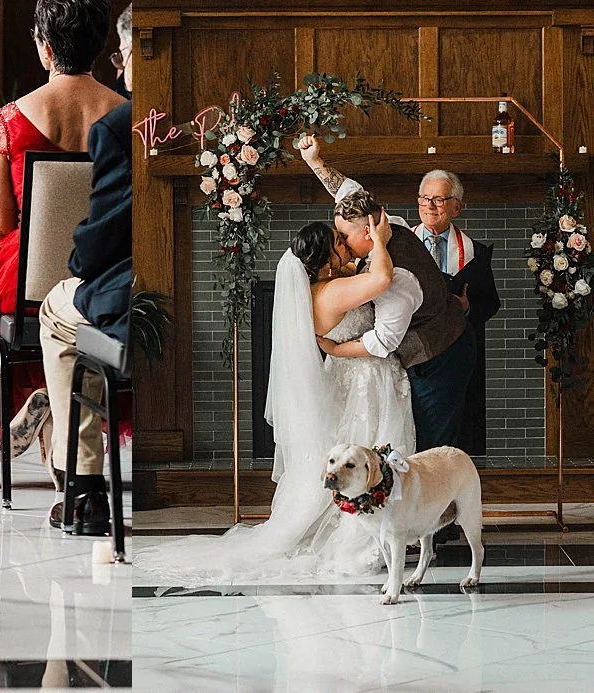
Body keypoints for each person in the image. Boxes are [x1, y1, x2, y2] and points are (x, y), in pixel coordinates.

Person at [135, 175, 410, 583]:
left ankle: (379, 528)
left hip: (348, 377)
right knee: (366, 451)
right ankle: (362, 539)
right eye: (339, 242)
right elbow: (383, 280)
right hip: (362, 382)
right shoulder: (331, 294)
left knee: (360, 453)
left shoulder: (324, 287)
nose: (345, 244)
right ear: (324, 259)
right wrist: (381, 238)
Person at [0, 0, 125, 486]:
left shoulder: (9, 119)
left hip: (26, 276)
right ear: (100, 46)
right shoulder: (123, 116)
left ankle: (48, 408)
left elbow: (0, 225)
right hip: (103, 272)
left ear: (45, 49)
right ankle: (67, 423)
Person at [302, 147, 499, 456]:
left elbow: (382, 342)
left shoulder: (396, 280)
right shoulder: (389, 222)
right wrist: (315, 162)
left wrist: (335, 349)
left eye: (342, 236)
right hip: (436, 339)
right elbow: (347, 191)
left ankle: (440, 504)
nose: (337, 242)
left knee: (431, 449)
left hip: (439, 358)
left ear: (368, 232)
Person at [30, 3, 131, 530]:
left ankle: (83, 487)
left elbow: (98, 240)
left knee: (61, 314)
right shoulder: (216, 126)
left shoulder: (123, 126)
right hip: (196, 299)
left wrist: (76, 263)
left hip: (127, 299)